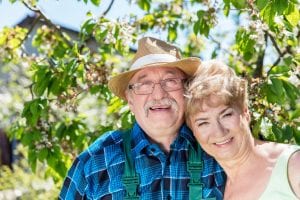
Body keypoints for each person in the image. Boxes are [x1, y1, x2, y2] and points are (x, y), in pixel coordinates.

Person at [59, 37, 225, 199]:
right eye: (145, 84)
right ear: (130, 100)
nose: (158, 94)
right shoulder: (95, 162)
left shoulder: (219, 147)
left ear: (187, 91)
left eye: (170, 81)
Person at [185, 59, 300, 200]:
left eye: (226, 115)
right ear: (192, 130)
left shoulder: (293, 165)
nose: (219, 132)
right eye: (203, 123)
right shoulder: (214, 192)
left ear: (245, 113)